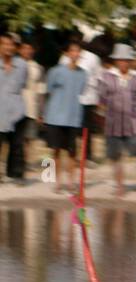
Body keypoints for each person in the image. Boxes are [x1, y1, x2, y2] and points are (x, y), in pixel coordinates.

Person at [98, 43, 136, 196]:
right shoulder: (106, 77)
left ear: (130, 61)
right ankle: (120, 186)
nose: (123, 63)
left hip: (134, 122)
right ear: (115, 61)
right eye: (120, 60)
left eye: (126, 60)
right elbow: (102, 98)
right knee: (115, 156)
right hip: (113, 122)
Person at [41, 41, 88, 191]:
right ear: (67, 53)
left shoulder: (83, 74)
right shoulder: (55, 71)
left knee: (72, 151)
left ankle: (71, 182)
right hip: (55, 115)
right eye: (72, 51)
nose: (75, 54)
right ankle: (56, 181)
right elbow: (48, 91)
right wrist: (43, 113)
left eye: (78, 51)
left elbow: (81, 93)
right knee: (55, 149)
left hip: (73, 116)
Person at [58, 34, 100, 163]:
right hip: (70, 100)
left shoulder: (93, 58)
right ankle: (73, 155)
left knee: (87, 129)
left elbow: (99, 77)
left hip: (88, 98)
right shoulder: (64, 58)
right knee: (72, 129)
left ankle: (87, 157)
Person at [0, 34, 29, 184]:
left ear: (15, 47)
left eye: (10, 44)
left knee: (17, 144)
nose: (8, 47)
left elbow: (23, 83)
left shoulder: (22, 64)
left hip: (17, 110)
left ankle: (16, 174)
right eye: (4, 44)